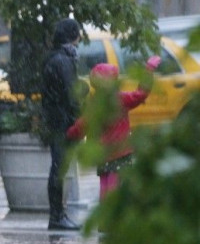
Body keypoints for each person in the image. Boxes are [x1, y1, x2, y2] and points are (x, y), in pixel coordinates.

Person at [66, 57, 158, 200]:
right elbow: (140, 94)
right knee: (115, 186)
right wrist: (149, 71)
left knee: (105, 184)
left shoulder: (95, 103)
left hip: (103, 153)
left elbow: (82, 125)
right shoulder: (120, 99)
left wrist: (69, 134)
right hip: (120, 151)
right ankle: (114, 217)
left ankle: (105, 215)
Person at [41, 18, 85, 230]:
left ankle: (57, 215)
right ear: (73, 35)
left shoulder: (56, 58)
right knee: (59, 168)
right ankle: (57, 216)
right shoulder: (63, 60)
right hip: (62, 123)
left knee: (59, 168)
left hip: (56, 120)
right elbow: (71, 94)